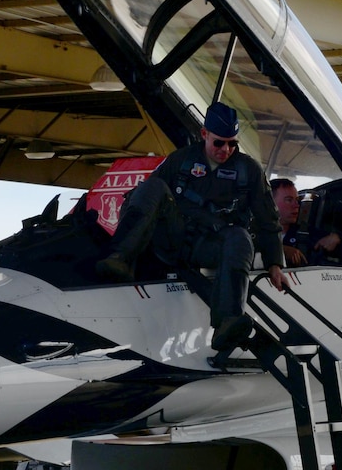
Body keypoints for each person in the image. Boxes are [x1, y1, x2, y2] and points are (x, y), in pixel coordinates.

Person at [97, 101, 287, 353]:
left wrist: (275, 262)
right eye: (219, 142)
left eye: (232, 143)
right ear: (204, 134)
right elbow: (145, 198)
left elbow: (267, 218)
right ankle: (120, 258)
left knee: (240, 237)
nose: (226, 149)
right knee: (152, 187)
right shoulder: (181, 160)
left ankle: (227, 322)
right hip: (173, 238)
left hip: (210, 245)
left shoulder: (248, 170)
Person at [271, 178, 342, 268]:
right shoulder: (252, 233)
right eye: (289, 200)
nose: (296, 205)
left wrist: (337, 238)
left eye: (297, 200)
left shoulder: (306, 234)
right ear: (270, 203)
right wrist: (280, 250)